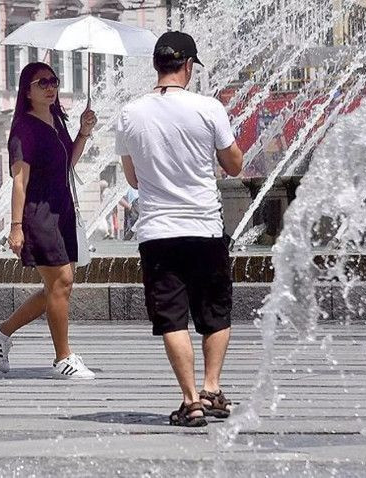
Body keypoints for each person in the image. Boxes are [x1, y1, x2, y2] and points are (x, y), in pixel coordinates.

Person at [114, 32, 244, 427]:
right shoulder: (209, 108)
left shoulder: (130, 113)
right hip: (204, 228)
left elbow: (133, 179)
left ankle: (190, 402)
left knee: (172, 319)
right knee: (215, 313)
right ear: (188, 66)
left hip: (157, 233)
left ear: (157, 66)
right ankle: (212, 387)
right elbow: (235, 165)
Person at [0, 62, 98, 380]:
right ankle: (63, 357)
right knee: (61, 283)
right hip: (38, 214)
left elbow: (67, 163)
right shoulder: (24, 128)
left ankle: (0, 332)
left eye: (54, 81)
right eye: (42, 82)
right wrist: (16, 226)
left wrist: (83, 133)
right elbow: (19, 181)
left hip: (62, 210)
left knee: (57, 288)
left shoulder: (57, 119)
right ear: (27, 90)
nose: (50, 86)